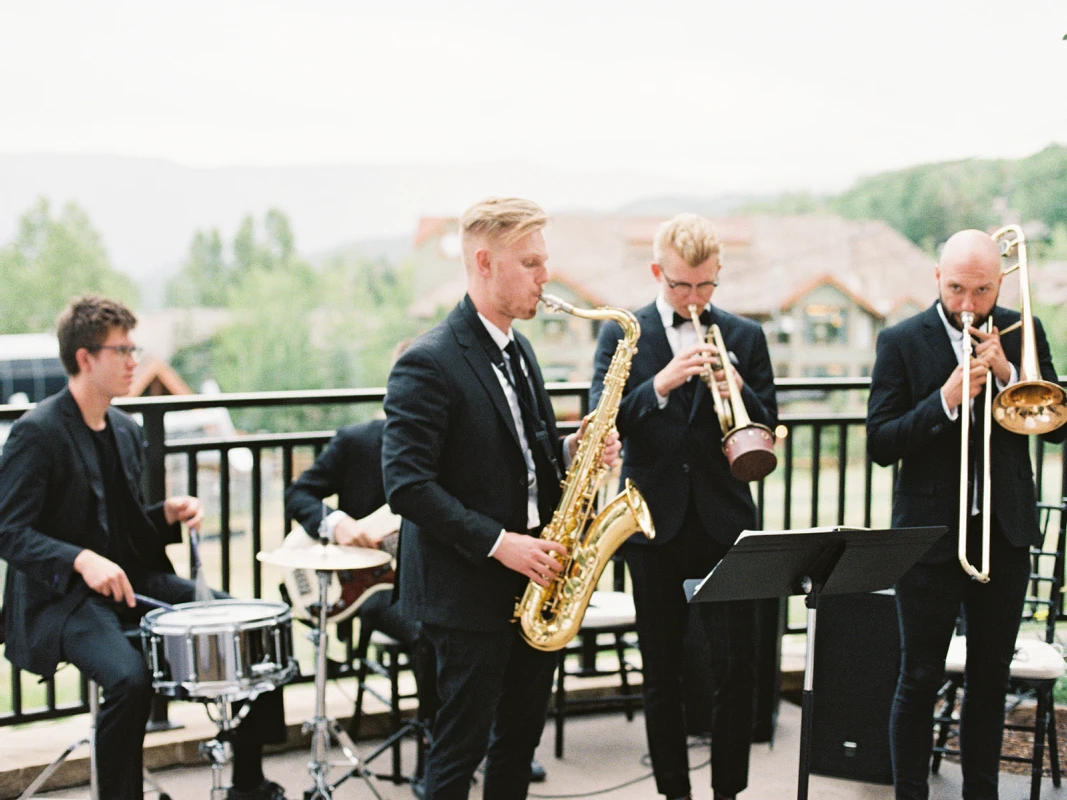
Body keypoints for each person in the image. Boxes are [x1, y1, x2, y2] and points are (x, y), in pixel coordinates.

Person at [0, 295, 287, 800]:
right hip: (62, 600)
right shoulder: (36, 433)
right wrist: (79, 559)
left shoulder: (126, 431)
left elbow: (124, 531)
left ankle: (248, 784)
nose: (135, 360)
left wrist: (167, 516)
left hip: (129, 582)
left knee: (251, 631)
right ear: (85, 358)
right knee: (130, 679)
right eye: (122, 350)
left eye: (134, 347)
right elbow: (8, 530)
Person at [381, 197, 618, 800]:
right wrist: (500, 544)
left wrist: (574, 453)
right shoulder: (427, 361)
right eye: (531, 263)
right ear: (484, 262)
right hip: (468, 593)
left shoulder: (517, 348)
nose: (546, 277)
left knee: (516, 750)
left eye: (545, 262)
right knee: (457, 758)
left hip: (534, 580)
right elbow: (407, 485)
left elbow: (519, 457)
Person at [867, 229, 1067, 799]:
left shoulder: (1022, 329)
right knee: (919, 676)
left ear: (999, 283)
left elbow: (1057, 425)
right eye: (956, 288)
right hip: (929, 540)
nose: (967, 305)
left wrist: (1010, 375)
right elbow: (881, 443)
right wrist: (947, 399)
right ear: (937, 278)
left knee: (990, 679)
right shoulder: (901, 341)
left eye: (980, 291)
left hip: (1002, 533)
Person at [590, 213, 777, 800]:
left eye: (705, 286)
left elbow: (769, 424)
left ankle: (728, 793)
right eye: (681, 287)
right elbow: (603, 422)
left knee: (736, 671)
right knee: (661, 672)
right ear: (657, 273)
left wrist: (739, 392)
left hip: (726, 523)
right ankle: (674, 792)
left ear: (718, 275)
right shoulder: (623, 335)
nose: (694, 298)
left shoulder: (746, 336)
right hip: (653, 523)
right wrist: (663, 383)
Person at [283, 415, 549, 783]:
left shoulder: (465, 444)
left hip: (442, 576)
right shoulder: (358, 440)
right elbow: (298, 493)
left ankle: (494, 740)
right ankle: (439, 745)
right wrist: (336, 522)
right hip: (374, 587)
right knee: (428, 628)